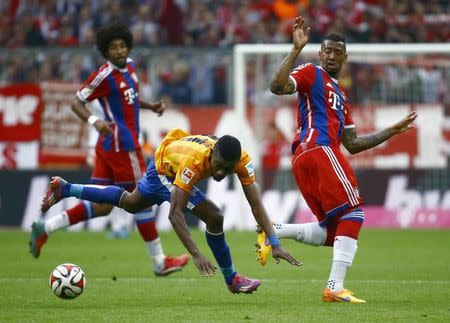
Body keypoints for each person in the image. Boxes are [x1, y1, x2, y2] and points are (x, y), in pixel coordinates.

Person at [256, 16, 417, 303]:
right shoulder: (311, 73)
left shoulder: (341, 96)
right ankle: (334, 287)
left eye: (336, 52)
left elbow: (353, 144)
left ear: (345, 56)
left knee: (333, 231)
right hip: (318, 149)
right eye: (326, 51)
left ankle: (273, 230)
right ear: (320, 54)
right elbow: (277, 87)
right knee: (354, 214)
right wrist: (295, 50)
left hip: (308, 157)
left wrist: (391, 131)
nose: (331, 55)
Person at [39, 128, 302, 294]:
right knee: (215, 216)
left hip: (168, 153)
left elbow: (256, 203)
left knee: (131, 202)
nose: (221, 173)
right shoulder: (195, 163)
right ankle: (232, 278)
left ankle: (65, 188)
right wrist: (197, 254)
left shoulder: (242, 161)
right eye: (219, 165)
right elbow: (174, 214)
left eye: (227, 168)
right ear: (213, 155)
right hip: (167, 166)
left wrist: (274, 240)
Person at [29, 22, 189, 276]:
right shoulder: (103, 75)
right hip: (122, 145)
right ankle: (160, 262)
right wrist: (94, 121)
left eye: (123, 45)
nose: (119, 51)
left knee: (103, 206)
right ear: (105, 51)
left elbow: (131, 99)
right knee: (142, 199)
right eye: (113, 47)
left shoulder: (132, 67)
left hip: (109, 146)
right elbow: (76, 101)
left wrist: (150, 106)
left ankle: (46, 228)